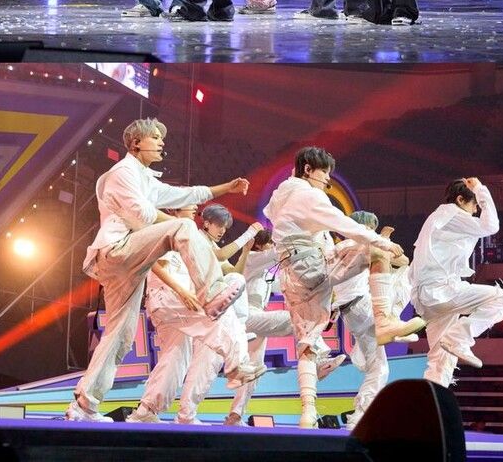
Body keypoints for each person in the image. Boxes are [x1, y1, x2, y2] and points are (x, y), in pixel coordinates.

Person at [65, 117, 251, 421]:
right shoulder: (123, 173)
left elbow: (186, 194)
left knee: (121, 335)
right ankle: (212, 292)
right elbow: (141, 214)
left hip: (128, 262)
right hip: (117, 250)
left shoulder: (145, 178)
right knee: (183, 227)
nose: (162, 142)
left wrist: (226, 188)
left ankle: (83, 406)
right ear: (136, 143)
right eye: (155, 137)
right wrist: (179, 223)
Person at [263, 146, 424, 428]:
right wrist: (382, 241)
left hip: (293, 278)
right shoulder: (309, 195)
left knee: (306, 346)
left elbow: (275, 212)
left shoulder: (281, 196)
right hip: (312, 267)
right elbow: (345, 225)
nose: (327, 179)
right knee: (375, 250)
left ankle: (308, 413)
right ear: (308, 170)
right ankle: (385, 320)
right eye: (324, 172)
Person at [127, 205, 264, 424]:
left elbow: (228, 267)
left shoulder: (192, 239)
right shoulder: (168, 230)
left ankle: (147, 410)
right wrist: (182, 292)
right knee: (218, 317)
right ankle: (236, 363)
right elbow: (154, 265)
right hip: (169, 298)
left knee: (176, 357)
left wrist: (246, 251)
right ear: (174, 210)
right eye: (189, 205)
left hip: (182, 304)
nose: (194, 209)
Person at [224, 228, 345, 427]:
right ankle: (320, 358)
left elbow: (282, 284)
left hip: (257, 323)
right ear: (259, 245)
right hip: (246, 318)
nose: (273, 246)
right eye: (270, 243)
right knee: (297, 319)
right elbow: (278, 253)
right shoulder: (253, 259)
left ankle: (235, 416)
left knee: (255, 370)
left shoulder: (264, 273)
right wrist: (308, 236)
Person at [408, 177, 503, 388]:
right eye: (474, 204)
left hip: (430, 298)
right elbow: (491, 225)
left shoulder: (438, 218)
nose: (476, 210)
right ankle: (460, 337)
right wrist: (480, 189)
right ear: (460, 200)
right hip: (440, 291)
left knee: (441, 362)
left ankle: (431, 403)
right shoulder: (451, 214)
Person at [332, 214, 418, 431]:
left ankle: (358, 417)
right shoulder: (364, 245)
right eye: (371, 228)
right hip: (364, 307)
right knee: (409, 274)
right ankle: (392, 320)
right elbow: (403, 261)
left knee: (378, 368)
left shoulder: (336, 248)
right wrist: (383, 239)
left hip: (350, 315)